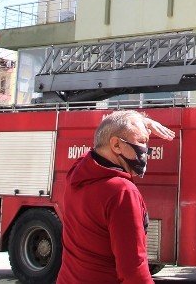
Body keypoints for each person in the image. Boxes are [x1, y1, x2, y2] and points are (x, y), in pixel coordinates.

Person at [57, 110, 175, 284]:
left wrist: (140, 122)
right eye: (141, 142)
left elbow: (98, 145)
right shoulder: (122, 192)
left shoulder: (77, 173)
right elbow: (133, 271)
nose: (146, 151)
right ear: (116, 145)